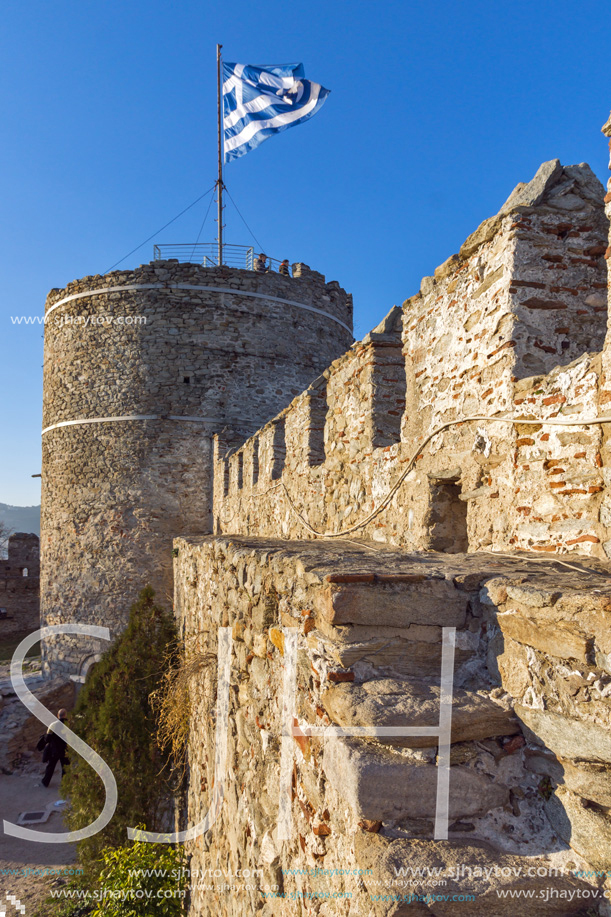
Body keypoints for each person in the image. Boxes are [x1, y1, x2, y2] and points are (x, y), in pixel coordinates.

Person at [40, 708, 69, 787]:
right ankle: (65, 784)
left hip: (54, 750)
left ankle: (45, 782)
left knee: (50, 767)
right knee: (66, 768)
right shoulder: (69, 724)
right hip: (65, 750)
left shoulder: (53, 725)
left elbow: (48, 738)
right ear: (65, 715)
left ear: (57, 715)